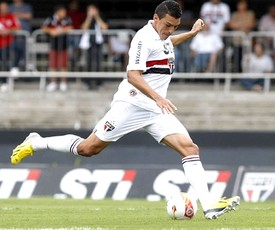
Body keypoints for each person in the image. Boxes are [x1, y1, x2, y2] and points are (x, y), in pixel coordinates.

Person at [11, 0, 240, 220]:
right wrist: (159, 97)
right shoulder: (143, 38)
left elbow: (168, 44)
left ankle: (209, 204)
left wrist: (190, 33)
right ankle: (37, 141)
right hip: (132, 105)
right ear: (155, 18)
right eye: (167, 25)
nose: (170, 31)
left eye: (175, 27)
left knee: (190, 149)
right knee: (88, 148)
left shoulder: (163, 36)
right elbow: (132, 75)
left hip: (154, 110)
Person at [42, 5, 73, 92]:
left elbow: (70, 27)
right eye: (63, 12)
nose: (64, 13)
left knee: (63, 65)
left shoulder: (67, 19)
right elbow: (44, 27)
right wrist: (51, 31)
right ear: (58, 12)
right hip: (53, 45)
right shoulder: (51, 19)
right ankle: (53, 83)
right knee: (53, 65)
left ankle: (63, 83)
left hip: (64, 45)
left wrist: (59, 31)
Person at [79, 3, 108, 90]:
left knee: (98, 62)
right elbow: (83, 28)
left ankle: (98, 82)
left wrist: (96, 17)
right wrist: (89, 17)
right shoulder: (85, 18)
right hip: (88, 44)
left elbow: (105, 27)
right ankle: (88, 82)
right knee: (88, 63)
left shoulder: (101, 17)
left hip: (98, 43)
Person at [229, 0, 256, 72]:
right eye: (240, 4)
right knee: (237, 58)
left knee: (247, 58)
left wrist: (238, 25)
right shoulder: (234, 14)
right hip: (237, 40)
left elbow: (251, 24)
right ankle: (237, 73)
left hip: (247, 40)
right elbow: (231, 25)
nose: (241, 6)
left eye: (243, 4)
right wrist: (244, 25)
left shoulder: (250, 13)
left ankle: (247, 73)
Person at [0, 1, 20, 88]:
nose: (4, 9)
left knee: (19, 48)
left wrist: (9, 31)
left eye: (5, 8)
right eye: (2, 8)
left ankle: (14, 67)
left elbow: (18, 27)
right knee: (3, 62)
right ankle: (4, 82)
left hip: (9, 43)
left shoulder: (12, 16)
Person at [9, 0, 33, 73]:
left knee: (26, 52)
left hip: (25, 34)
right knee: (14, 52)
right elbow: (8, 17)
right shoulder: (10, 7)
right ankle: (14, 68)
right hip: (13, 35)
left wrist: (17, 15)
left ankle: (27, 71)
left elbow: (29, 16)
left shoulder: (27, 6)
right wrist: (22, 15)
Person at [67, 0, 85, 70]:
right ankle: (70, 60)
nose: (74, 6)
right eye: (72, 4)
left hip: (78, 34)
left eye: (75, 5)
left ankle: (76, 59)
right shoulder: (67, 14)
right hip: (69, 34)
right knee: (69, 47)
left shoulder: (81, 14)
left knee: (77, 41)